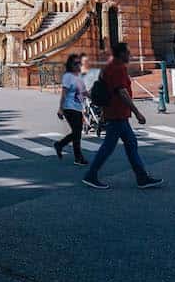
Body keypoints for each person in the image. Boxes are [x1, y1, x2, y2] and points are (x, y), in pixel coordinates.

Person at [82, 42, 163, 190]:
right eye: (127, 53)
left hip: (117, 113)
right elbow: (122, 92)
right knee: (109, 147)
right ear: (121, 54)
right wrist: (137, 112)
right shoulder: (117, 68)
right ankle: (91, 175)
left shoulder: (111, 66)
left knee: (131, 144)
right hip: (117, 113)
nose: (130, 55)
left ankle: (141, 177)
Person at [54, 52, 89, 164]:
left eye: (79, 63)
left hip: (78, 107)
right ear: (70, 65)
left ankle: (60, 145)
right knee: (77, 132)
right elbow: (64, 93)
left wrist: (98, 97)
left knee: (77, 132)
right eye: (75, 63)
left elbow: (84, 92)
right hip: (69, 107)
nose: (78, 65)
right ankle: (78, 157)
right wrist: (60, 109)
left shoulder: (79, 78)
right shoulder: (68, 76)